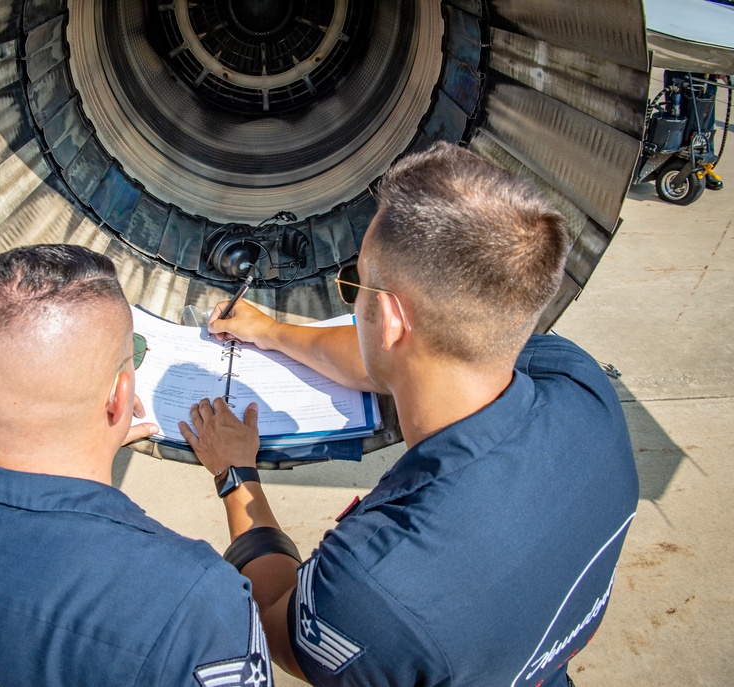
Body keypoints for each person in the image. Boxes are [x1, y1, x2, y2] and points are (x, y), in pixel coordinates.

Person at [178, 142, 640, 687]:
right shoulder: (582, 389)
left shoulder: (376, 582)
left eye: (356, 284)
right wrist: (270, 331)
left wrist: (237, 475)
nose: (353, 302)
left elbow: (279, 625)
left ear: (393, 320)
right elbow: (402, 355)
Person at [0, 245, 275, 687]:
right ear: (121, 396)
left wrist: (91, 437)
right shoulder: (192, 601)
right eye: (134, 355)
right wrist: (236, 475)